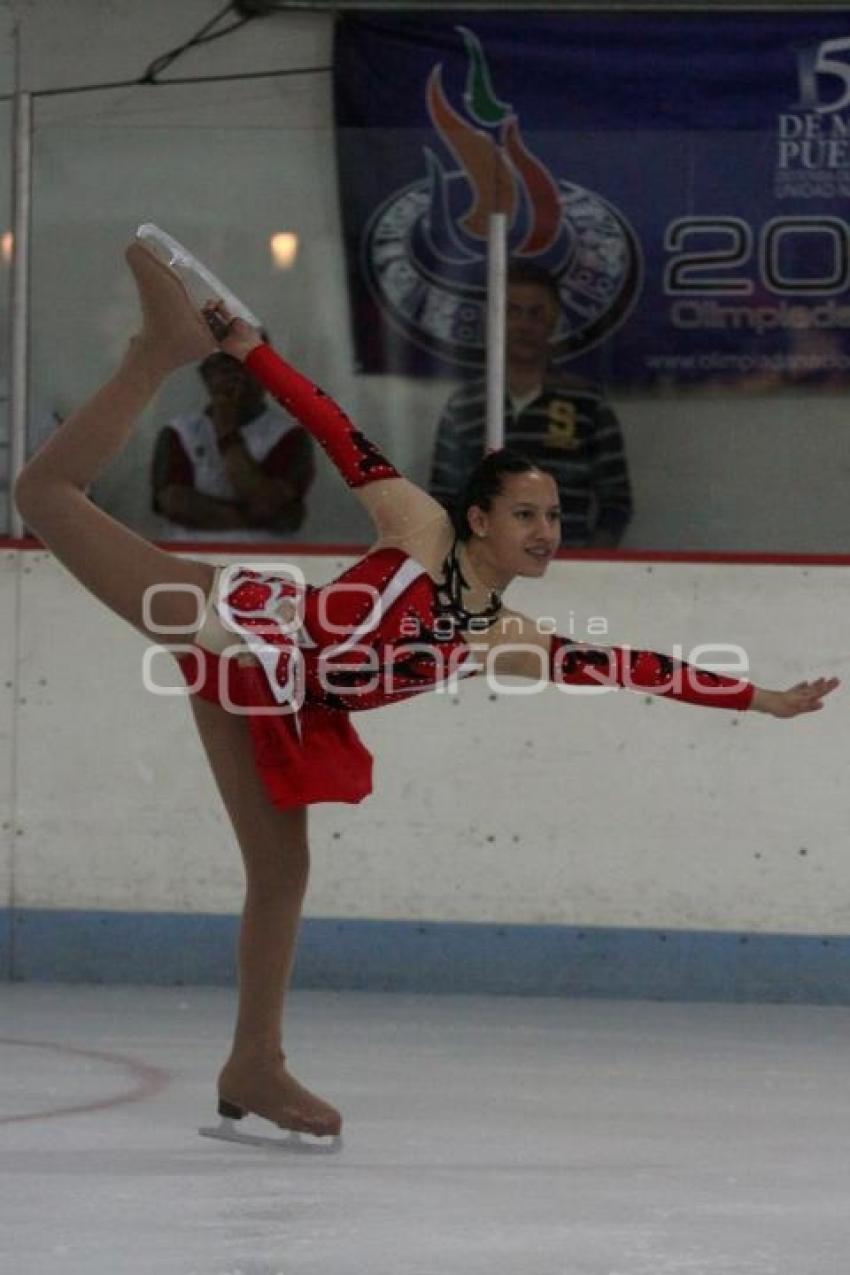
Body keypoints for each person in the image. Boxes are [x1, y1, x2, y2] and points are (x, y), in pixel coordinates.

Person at [14, 233, 838, 1150]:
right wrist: (248, 351)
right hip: (230, 624)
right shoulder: (421, 529)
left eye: (555, 516)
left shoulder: (498, 635)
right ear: (481, 517)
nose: (546, 531)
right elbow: (332, 426)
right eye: (526, 514)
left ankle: (255, 1062)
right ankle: (156, 353)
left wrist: (759, 698)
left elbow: (632, 666)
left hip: (279, 699)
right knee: (45, 494)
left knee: (282, 872)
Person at [429, 260, 632, 548]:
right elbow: (442, 500)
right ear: (495, 319)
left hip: (569, 572)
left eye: (536, 313)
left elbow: (616, 503)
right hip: (484, 572)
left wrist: (589, 563)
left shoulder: (588, 405)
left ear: (554, 320)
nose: (524, 324)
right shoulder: (465, 406)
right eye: (512, 311)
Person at [152, 348, 314, 539]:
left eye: (246, 367)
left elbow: (264, 503)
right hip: (192, 556)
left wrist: (227, 431)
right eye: (225, 369)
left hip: (268, 559)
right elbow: (175, 503)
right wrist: (262, 518)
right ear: (206, 377)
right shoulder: (178, 432)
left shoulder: (290, 435)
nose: (236, 377)